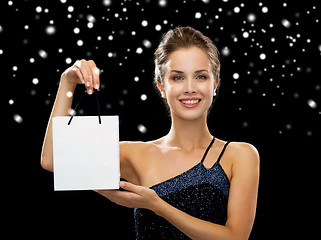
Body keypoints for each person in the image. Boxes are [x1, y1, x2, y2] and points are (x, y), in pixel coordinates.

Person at [41, 26, 259, 240]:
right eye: (178, 77)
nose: (190, 88)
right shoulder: (137, 154)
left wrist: (156, 205)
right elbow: (53, 160)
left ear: (215, 84)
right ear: (161, 86)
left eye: (201, 76)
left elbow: (236, 237)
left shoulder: (240, 155)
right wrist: (67, 83)